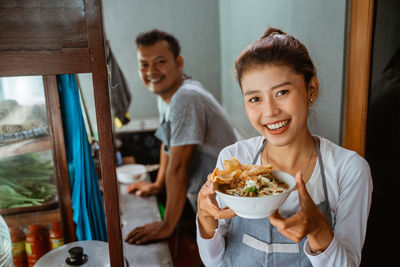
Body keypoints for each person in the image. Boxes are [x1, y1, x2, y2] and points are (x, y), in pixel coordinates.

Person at [196, 27, 373, 266]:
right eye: (254, 98)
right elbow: (214, 262)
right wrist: (206, 218)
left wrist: (319, 229)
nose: (270, 111)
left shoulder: (348, 170)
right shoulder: (234, 159)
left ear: (312, 89)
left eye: (282, 92)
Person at [124, 29, 237, 245]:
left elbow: (178, 167)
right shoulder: (168, 94)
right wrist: (158, 185)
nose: (151, 71)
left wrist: (167, 226)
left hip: (224, 201)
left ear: (178, 62)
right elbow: (168, 143)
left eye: (160, 62)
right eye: (144, 64)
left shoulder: (185, 98)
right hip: (206, 195)